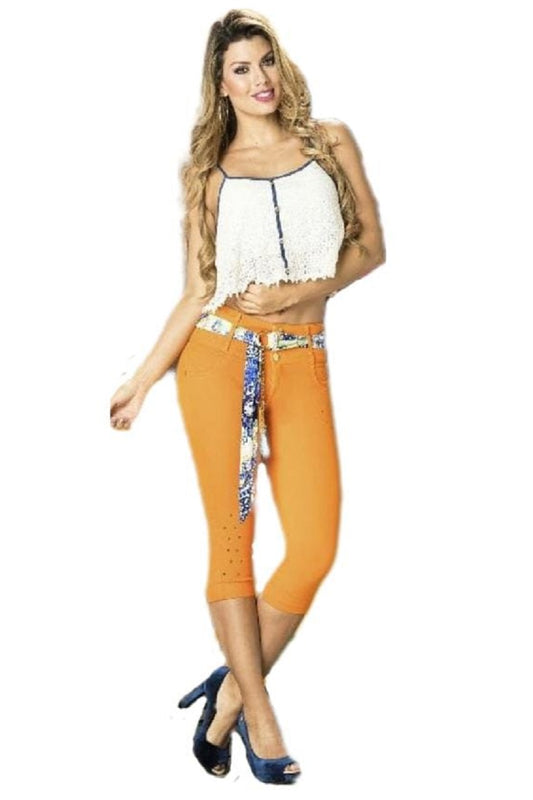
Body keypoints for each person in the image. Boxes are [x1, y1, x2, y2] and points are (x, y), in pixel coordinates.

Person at [110, 8, 385, 785]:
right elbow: (198, 289)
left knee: (314, 549)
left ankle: (227, 693)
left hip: (300, 358)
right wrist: (142, 377)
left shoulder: (328, 141)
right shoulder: (207, 170)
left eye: (266, 61)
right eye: (241, 69)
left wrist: (302, 291)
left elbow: (370, 247)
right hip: (219, 361)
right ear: (220, 84)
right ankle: (260, 718)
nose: (259, 78)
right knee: (232, 543)